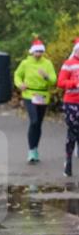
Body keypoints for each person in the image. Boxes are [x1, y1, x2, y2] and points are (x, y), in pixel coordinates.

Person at [13, 38, 57, 163]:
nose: (38, 54)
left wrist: (46, 76)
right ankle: (31, 151)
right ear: (32, 52)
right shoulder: (25, 63)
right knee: (34, 120)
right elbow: (17, 75)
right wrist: (20, 84)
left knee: (38, 124)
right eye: (36, 52)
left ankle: (35, 149)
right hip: (29, 94)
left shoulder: (47, 63)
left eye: (40, 52)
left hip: (43, 94)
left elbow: (54, 80)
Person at [57, 37, 79, 176]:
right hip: (71, 102)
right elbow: (60, 82)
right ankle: (68, 160)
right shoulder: (68, 64)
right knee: (73, 131)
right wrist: (73, 84)